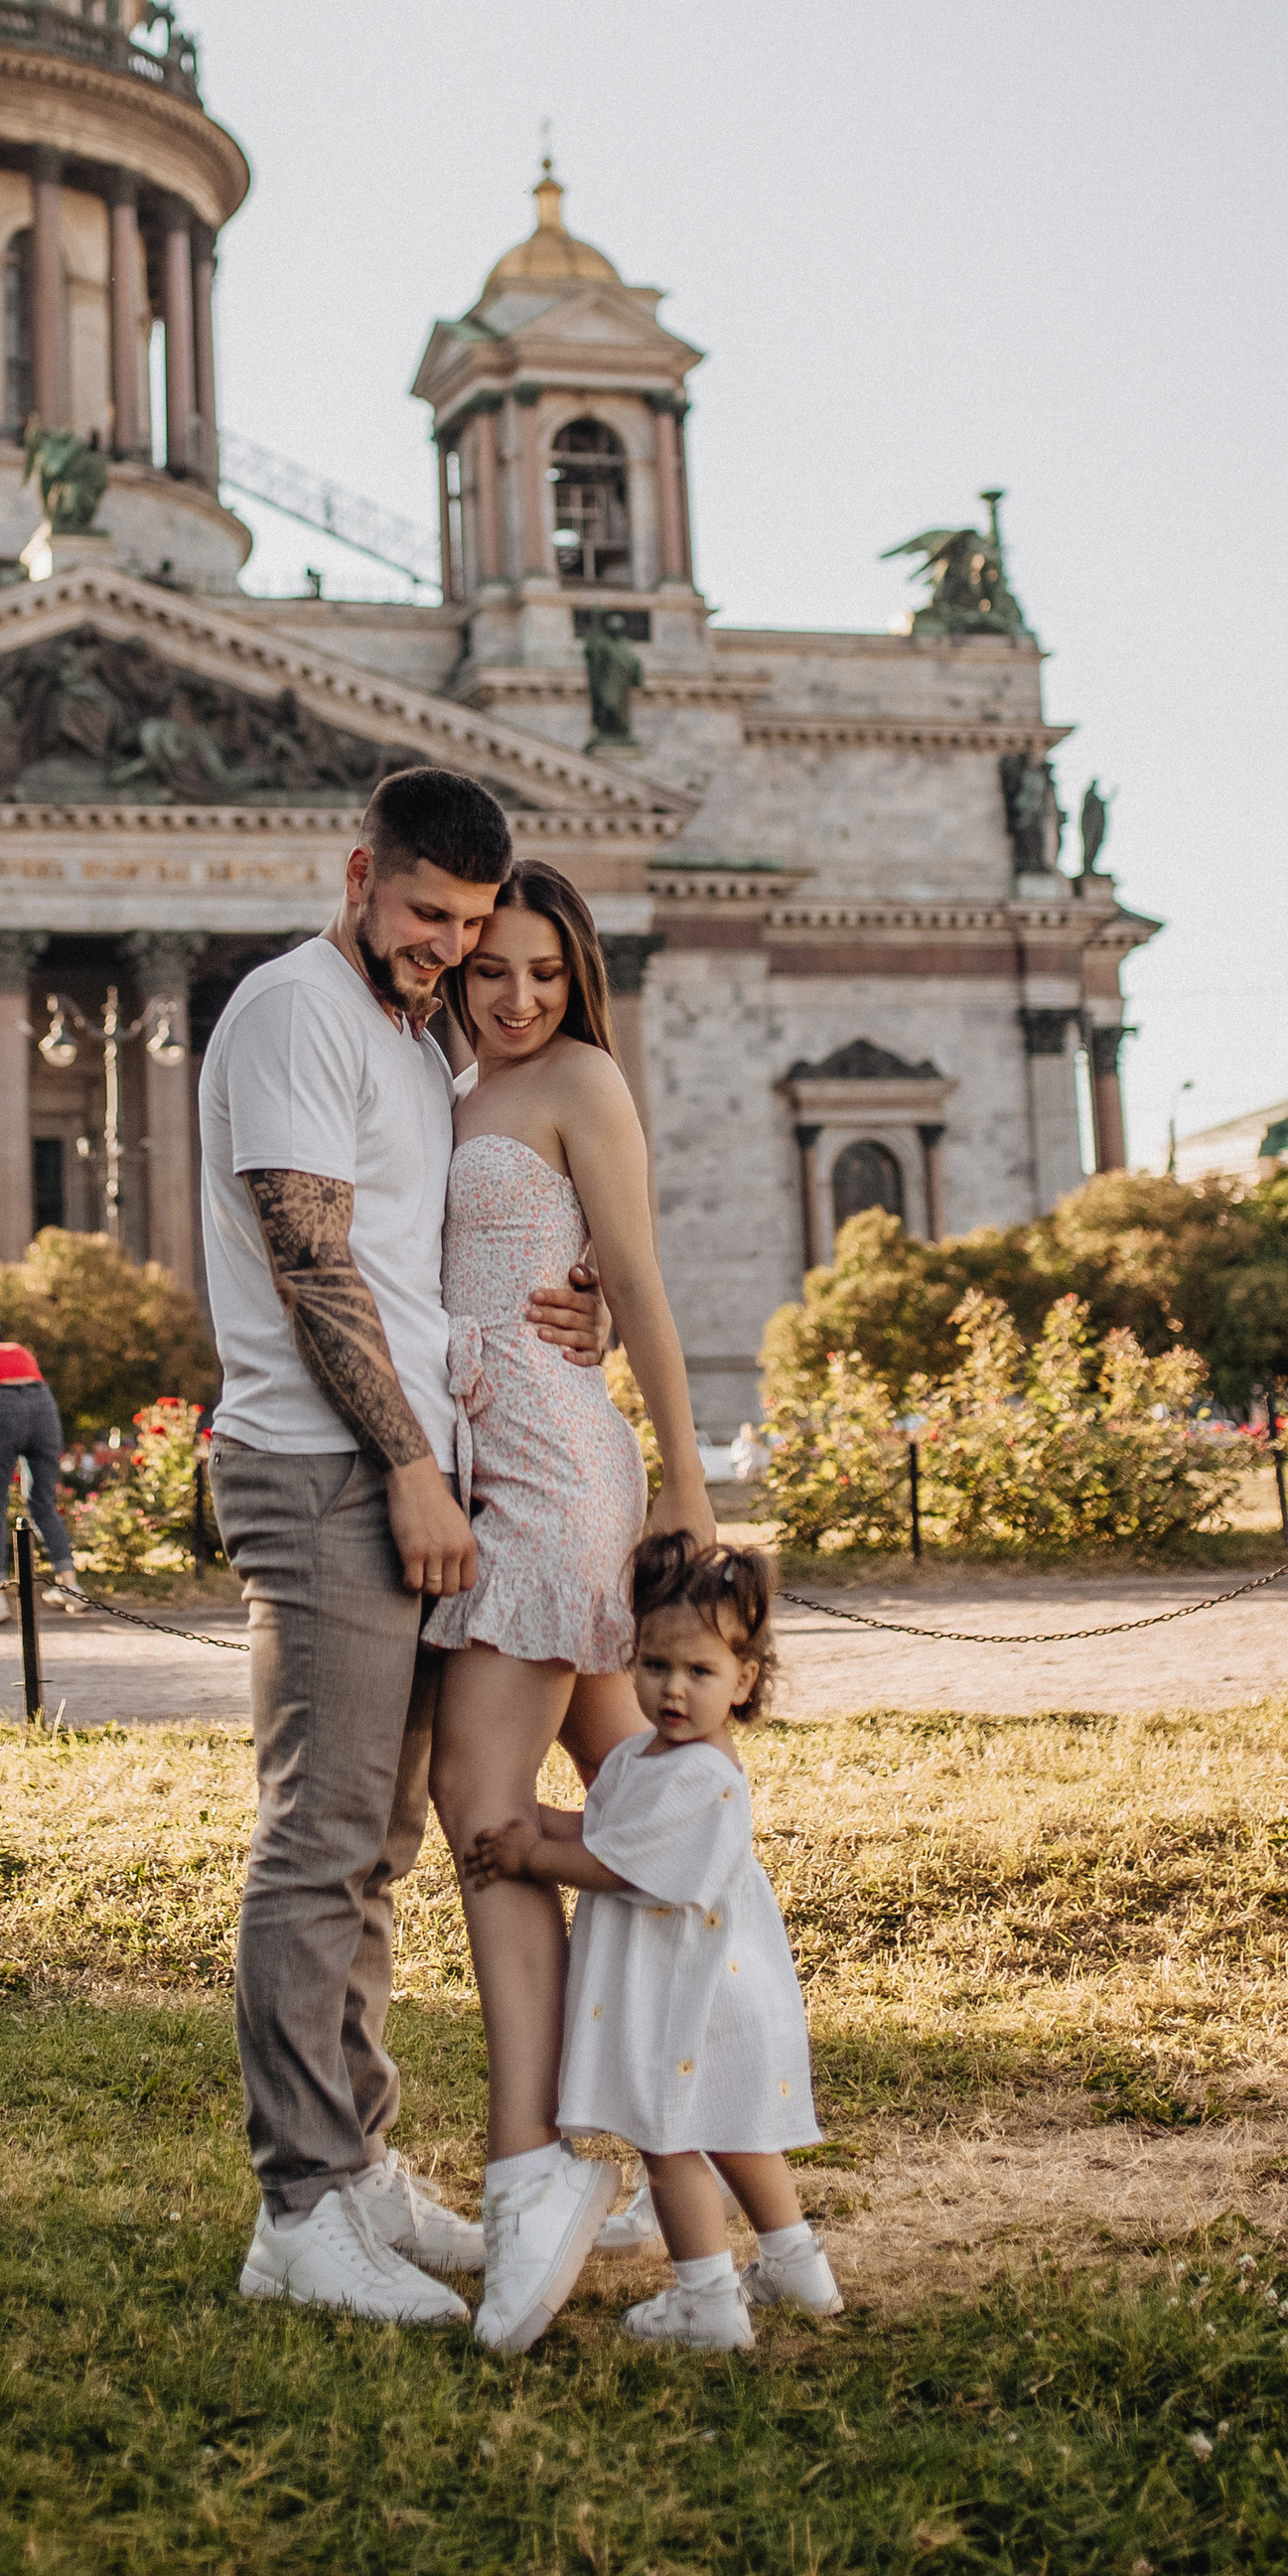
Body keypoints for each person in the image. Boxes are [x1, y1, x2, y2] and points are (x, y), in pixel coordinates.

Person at [199, 765, 607, 2329]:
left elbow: (434, 1257)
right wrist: (412, 1469)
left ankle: (358, 2169)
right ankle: (298, 2208)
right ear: (360, 871)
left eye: (473, 925)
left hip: (407, 1469)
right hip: (329, 1470)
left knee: (375, 1840)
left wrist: (595, 1300)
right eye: (427, 914)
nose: (447, 948)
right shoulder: (300, 1009)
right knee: (317, 1840)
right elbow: (314, 1266)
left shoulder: (405, 1034)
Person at [423, 858, 720, 2346]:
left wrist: (687, 1480)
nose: (522, 995)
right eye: (497, 970)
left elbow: (644, 1285)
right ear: (460, 966)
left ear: (576, 971)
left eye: (547, 968)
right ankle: (743, 2212)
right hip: (488, 1466)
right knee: (650, 1809)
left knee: (481, 1805)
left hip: (553, 1467)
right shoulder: (443, 1078)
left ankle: (529, 2165)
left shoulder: (583, 1078)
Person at [466, 1530, 841, 2353]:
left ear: (743, 1682)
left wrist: (533, 1854)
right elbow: (604, 1821)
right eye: (655, 1666)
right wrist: (535, 1816)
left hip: (689, 1996)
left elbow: (616, 1863)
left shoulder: (702, 1775)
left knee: (669, 2142)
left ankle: (708, 2300)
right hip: (705, 1986)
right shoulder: (649, 1754)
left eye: (700, 1672)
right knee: (736, 2132)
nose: (674, 1689)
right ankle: (797, 2266)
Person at [0, 1312, 81, 1609]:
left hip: (0, 1409)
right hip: (44, 1408)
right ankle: (71, 1587)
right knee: (43, 1502)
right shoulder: (20, 1350)